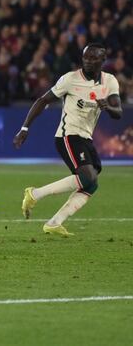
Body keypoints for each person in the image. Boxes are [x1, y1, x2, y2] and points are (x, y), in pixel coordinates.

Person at [13, 43, 122, 237]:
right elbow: (42, 101)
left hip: (86, 137)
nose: (88, 62)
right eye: (85, 58)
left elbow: (118, 113)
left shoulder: (110, 81)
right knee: (88, 176)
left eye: (93, 58)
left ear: (103, 60)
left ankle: (55, 222)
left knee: (91, 183)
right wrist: (24, 127)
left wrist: (107, 106)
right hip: (67, 136)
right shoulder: (70, 79)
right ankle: (35, 194)